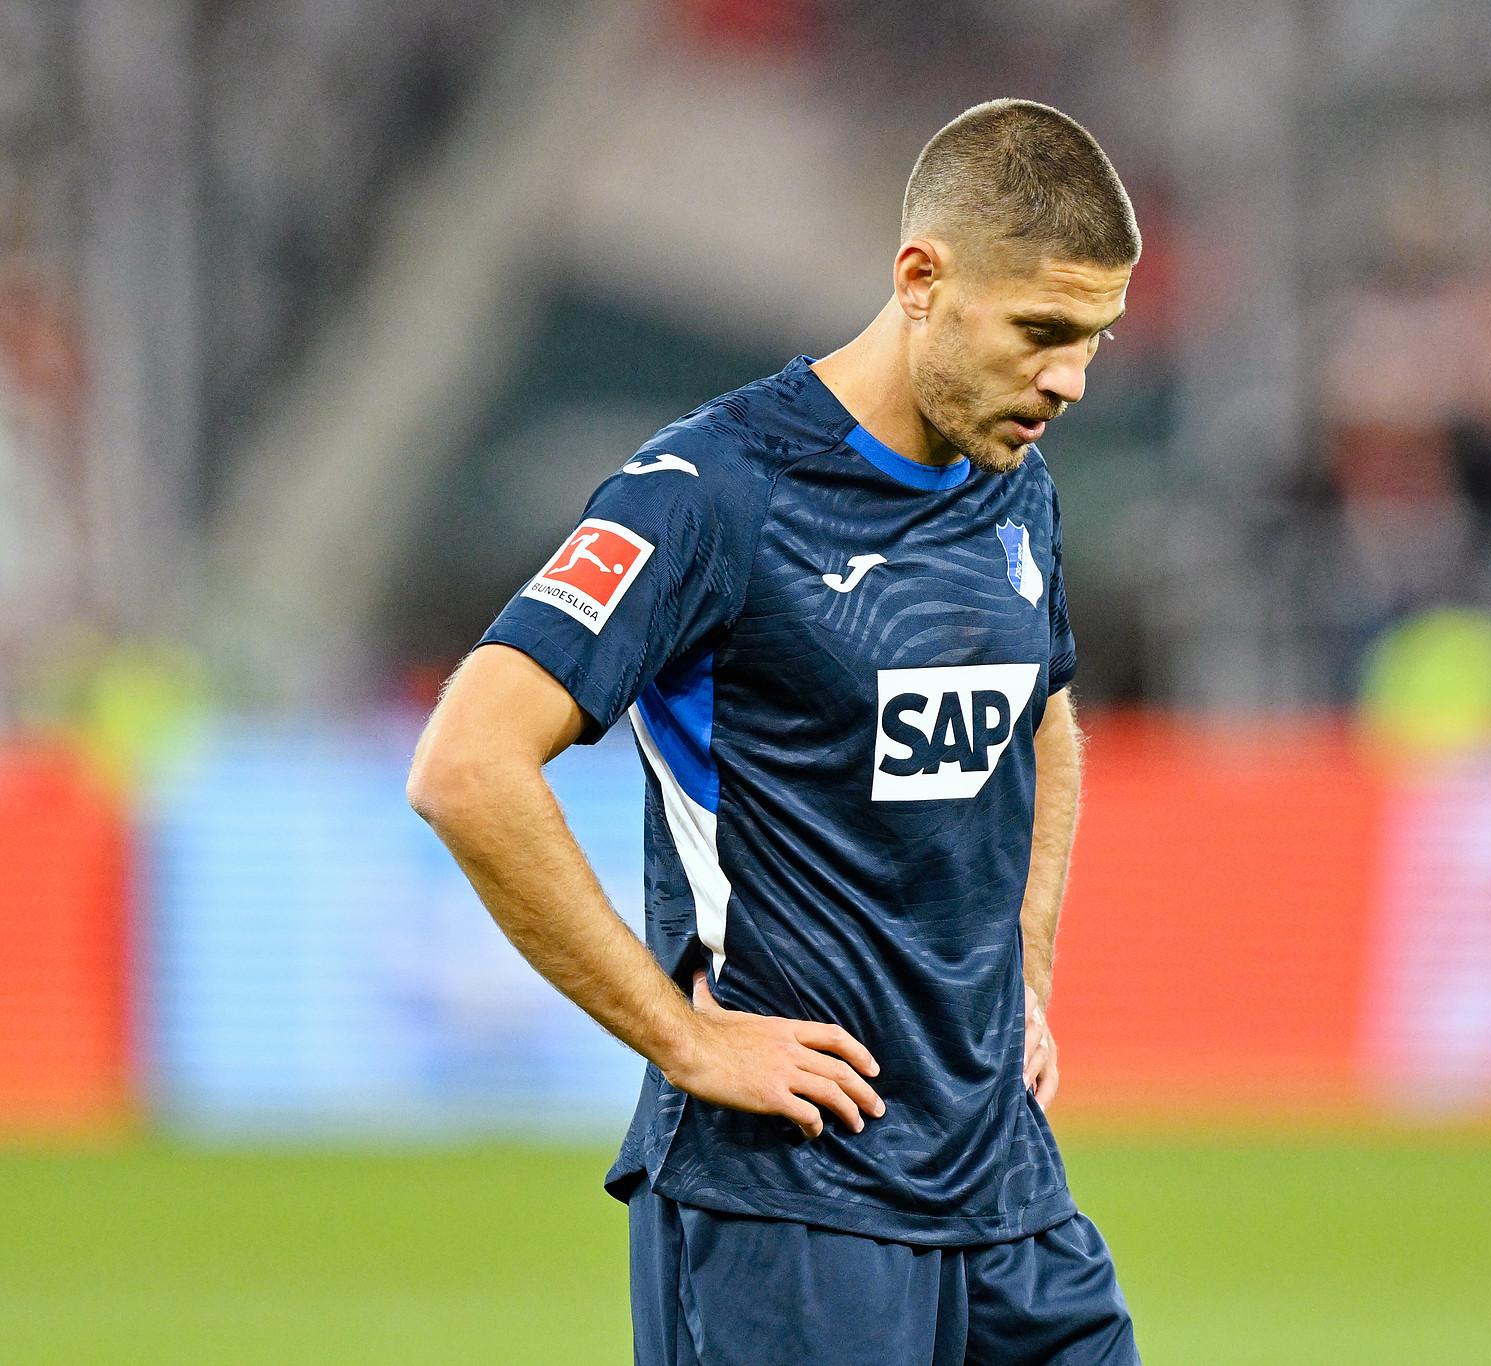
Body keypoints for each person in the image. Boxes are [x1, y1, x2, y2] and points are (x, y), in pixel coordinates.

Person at [406, 98, 1141, 1364]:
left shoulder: (1012, 485)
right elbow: (467, 764)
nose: (1069, 380)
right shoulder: (710, 493)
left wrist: (1024, 965)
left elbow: (1043, 710)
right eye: (1040, 332)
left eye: (1092, 340)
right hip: (792, 1198)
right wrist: (683, 1034)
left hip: (1003, 1186)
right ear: (921, 279)